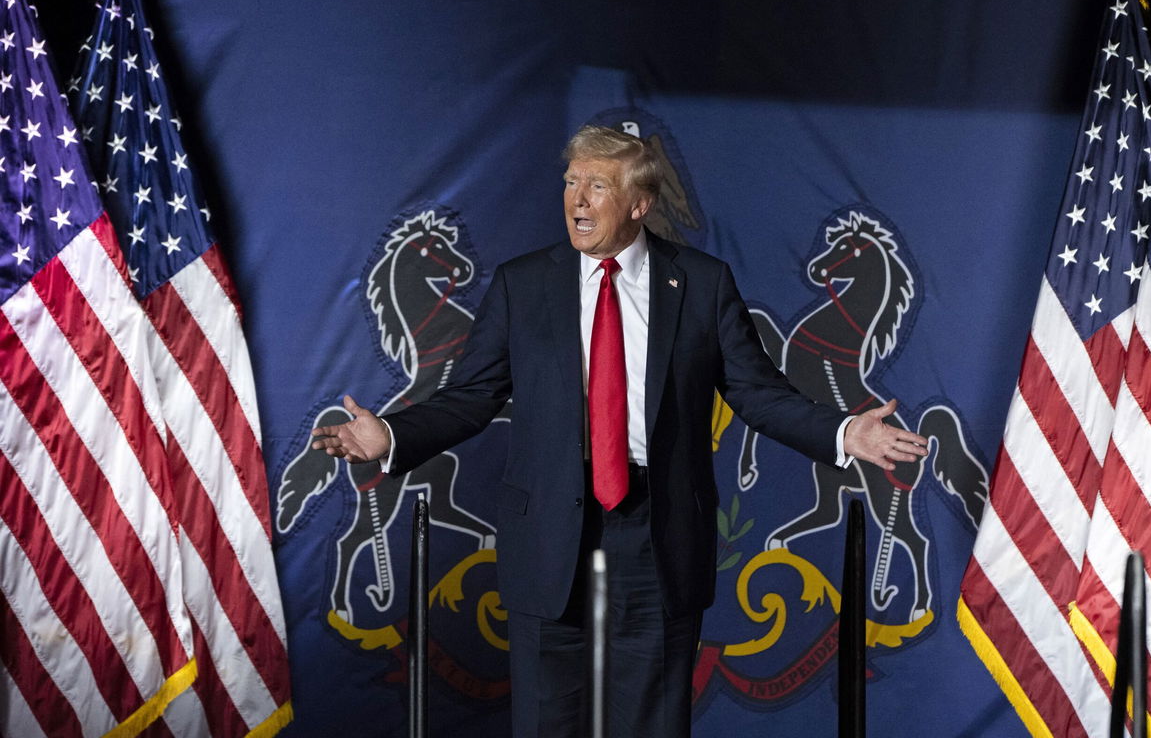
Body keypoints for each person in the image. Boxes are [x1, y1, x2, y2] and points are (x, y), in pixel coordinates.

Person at [312, 125, 927, 737]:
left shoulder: (702, 285)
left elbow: (756, 393)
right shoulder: (522, 285)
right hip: (550, 530)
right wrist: (390, 436)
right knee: (548, 724)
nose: (577, 200)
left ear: (639, 204)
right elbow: (473, 396)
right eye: (571, 182)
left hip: (655, 534)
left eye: (597, 186)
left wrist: (846, 434)